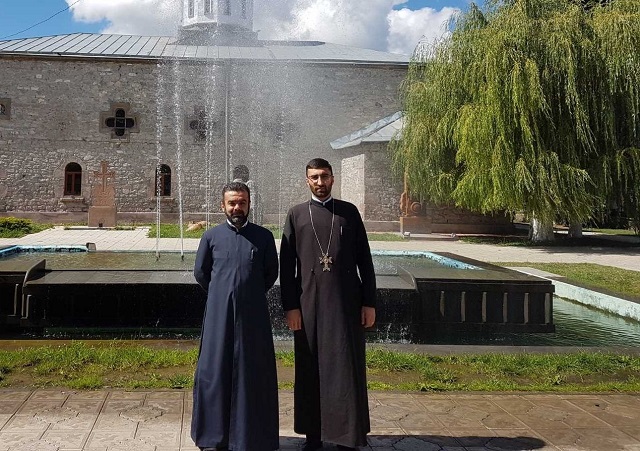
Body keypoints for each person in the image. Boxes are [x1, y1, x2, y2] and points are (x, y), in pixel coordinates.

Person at [279, 158, 377, 451]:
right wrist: (291, 307)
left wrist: (369, 303)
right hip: (308, 305)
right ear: (306, 181)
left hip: (347, 304)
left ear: (333, 179)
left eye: (324, 177)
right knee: (310, 367)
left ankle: (347, 436)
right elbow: (287, 267)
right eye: (314, 178)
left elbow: (365, 261)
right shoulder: (296, 214)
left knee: (345, 368)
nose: (320, 183)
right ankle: (313, 435)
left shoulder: (348, 212)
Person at [192, 181, 279, 451]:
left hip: (253, 318)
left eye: (242, 202)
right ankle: (213, 437)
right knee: (214, 371)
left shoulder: (263, 237)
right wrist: (222, 293)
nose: (237, 207)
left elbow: (270, 273)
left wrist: (246, 293)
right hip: (219, 316)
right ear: (222, 205)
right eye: (232, 203)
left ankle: (252, 437)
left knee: (253, 372)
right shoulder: (211, 237)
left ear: (249, 203)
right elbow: (201, 273)